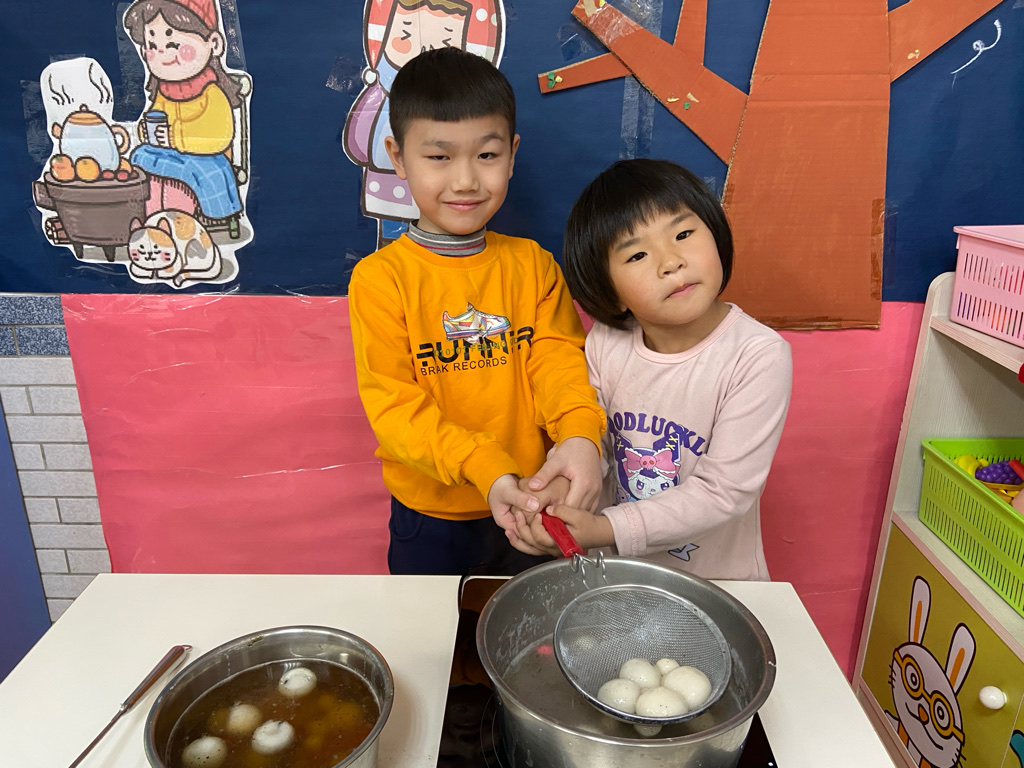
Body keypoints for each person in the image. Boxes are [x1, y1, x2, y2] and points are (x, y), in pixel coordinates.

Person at [348, 47, 605, 576]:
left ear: (512, 154)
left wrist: (580, 437)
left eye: (486, 155)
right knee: (434, 628)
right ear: (398, 157)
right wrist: (484, 466)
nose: (465, 181)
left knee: (528, 626)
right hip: (431, 514)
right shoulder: (380, 279)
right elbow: (395, 408)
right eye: (439, 157)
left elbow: (559, 364)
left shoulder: (534, 265)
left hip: (532, 503)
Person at [513, 159, 792, 580]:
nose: (671, 262)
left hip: (717, 582)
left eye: (683, 234)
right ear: (610, 290)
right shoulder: (607, 341)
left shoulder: (758, 355)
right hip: (614, 578)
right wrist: (558, 491)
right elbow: (593, 443)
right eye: (638, 254)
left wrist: (604, 529)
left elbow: (723, 492)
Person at [124, 0, 245, 221]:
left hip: (206, 157)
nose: (162, 53)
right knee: (139, 156)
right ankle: (154, 213)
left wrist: (173, 136)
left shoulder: (212, 92)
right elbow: (156, 117)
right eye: (152, 46)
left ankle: (186, 216)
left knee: (201, 173)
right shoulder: (164, 92)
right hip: (170, 154)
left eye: (173, 44)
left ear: (214, 43)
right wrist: (146, 131)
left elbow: (220, 136)